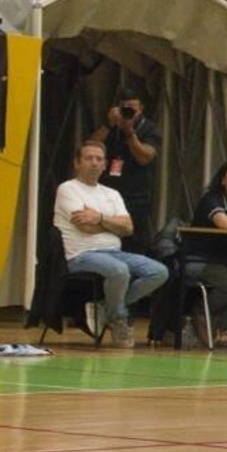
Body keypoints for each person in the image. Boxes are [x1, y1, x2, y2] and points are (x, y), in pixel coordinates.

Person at [55, 141, 169, 349]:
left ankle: (106, 308)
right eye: (89, 158)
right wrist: (112, 224)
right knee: (119, 270)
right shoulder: (67, 189)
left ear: (105, 164)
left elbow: (129, 228)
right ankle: (118, 319)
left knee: (159, 271)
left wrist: (98, 217)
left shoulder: (111, 194)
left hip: (114, 251)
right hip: (81, 254)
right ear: (77, 163)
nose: (94, 163)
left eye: (99, 159)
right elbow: (85, 228)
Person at [184, 158, 227, 344]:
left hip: (223, 260)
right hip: (198, 259)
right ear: (223, 179)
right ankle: (200, 310)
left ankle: (214, 321)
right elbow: (224, 223)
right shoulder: (211, 199)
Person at [87, 91, 160, 257]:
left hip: (136, 196)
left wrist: (129, 132)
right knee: (105, 240)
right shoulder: (111, 126)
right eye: (124, 109)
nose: (128, 113)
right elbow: (90, 148)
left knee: (133, 242)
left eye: (132, 109)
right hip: (107, 195)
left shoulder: (150, 129)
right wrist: (108, 124)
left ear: (141, 109)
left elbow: (144, 157)